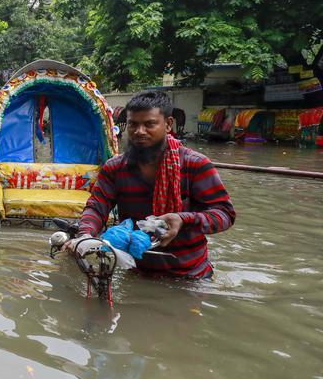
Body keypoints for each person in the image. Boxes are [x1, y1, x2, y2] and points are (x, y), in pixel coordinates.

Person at [70, 91, 235, 278]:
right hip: (135, 271)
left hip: (190, 275)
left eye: (149, 124)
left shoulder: (194, 164)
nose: (139, 131)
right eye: (133, 124)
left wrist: (183, 219)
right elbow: (97, 208)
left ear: (168, 124)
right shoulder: (115, 168)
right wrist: (85, 237)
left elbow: (224, 214)